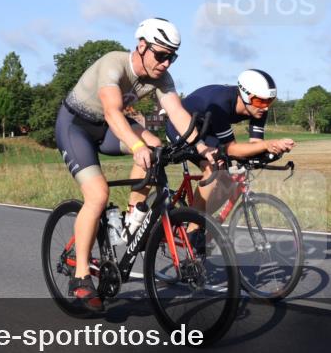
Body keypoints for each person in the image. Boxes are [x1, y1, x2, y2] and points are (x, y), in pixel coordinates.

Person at [55, 17, 213, 313]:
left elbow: (178, 113)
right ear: (142, 46)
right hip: (76, 126)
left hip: (108, 128)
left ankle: (133, 217)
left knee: (157, 148)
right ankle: (80, 278)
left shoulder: (161, 78)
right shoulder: (113, 63)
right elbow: (113, 112)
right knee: (98, 195)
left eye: (172, 56)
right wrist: (137, 145)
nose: (166, 63)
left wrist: (203, 148)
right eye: (161, 54)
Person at [165, 69, 294, 217]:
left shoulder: (259, 108)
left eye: (270, 101)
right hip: (181, 126)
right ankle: (193, 229)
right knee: (212, 169)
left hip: (207, 129)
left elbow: (255, 145)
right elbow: (231, 149)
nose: (265, 107)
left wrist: (274, 149)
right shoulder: (221, 103)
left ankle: (204, 221)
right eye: (260, 101)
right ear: (246, 95)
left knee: (228, 179)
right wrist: (266, 145)